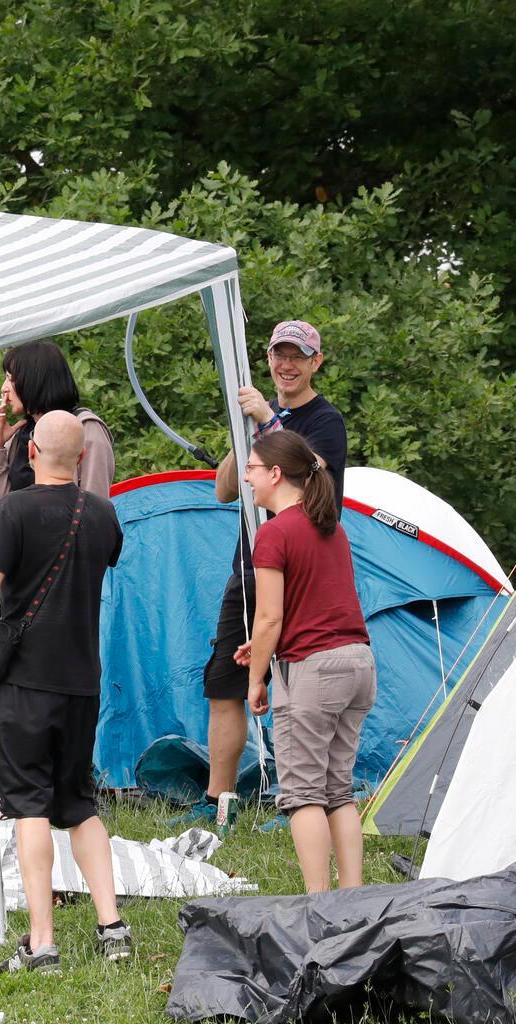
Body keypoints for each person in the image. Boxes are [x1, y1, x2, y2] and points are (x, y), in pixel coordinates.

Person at [0, 410, 132, 973]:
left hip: (24, 683)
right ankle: (112, 927)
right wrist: (1, 562)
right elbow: (71, 567)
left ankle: (41, 942)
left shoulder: (12, 509)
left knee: (29, 806)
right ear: (82, 458)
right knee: (79, 804)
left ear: (31, 453)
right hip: (81, 682)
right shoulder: (104, 515)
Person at [182, 319, 348, 825]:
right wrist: (248, 431)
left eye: (298, 355)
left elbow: (312, 478)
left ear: (316, 362)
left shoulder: (325, 421)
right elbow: (225, 490)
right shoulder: (263, 419)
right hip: (252, 563)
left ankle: (300, 798)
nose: (287, 364)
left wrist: (270, 425)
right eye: (280, 354)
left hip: (301, 567)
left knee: (298, 680)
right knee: (223, 681)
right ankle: (219, 802)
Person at [234, 430, 376, 892]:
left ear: (275, 474)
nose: (247, 478)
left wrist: (257, 678)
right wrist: (262, 647)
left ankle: (318, 904)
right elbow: (312, 604)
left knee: (303, 795)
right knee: (339, 790)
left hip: (314, 671)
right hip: (358, 664)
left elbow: (270, 615)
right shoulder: (330, 526)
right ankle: (352, 898)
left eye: (252, 469)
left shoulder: (274, 533)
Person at [0, 340, 116, 507]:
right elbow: (1, 509)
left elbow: (95, 510)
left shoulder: (85, 428)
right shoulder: (19, 436)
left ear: (34, 379)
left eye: (10, 379)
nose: (4, 388)